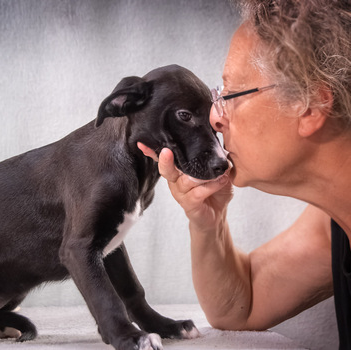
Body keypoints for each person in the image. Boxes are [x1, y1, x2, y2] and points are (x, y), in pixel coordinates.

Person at [138, 0, 351, 348]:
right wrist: (209, 223)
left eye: (230, 94)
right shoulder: (335, 225)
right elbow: (241, 306)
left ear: (311, 105)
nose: (215, 118)